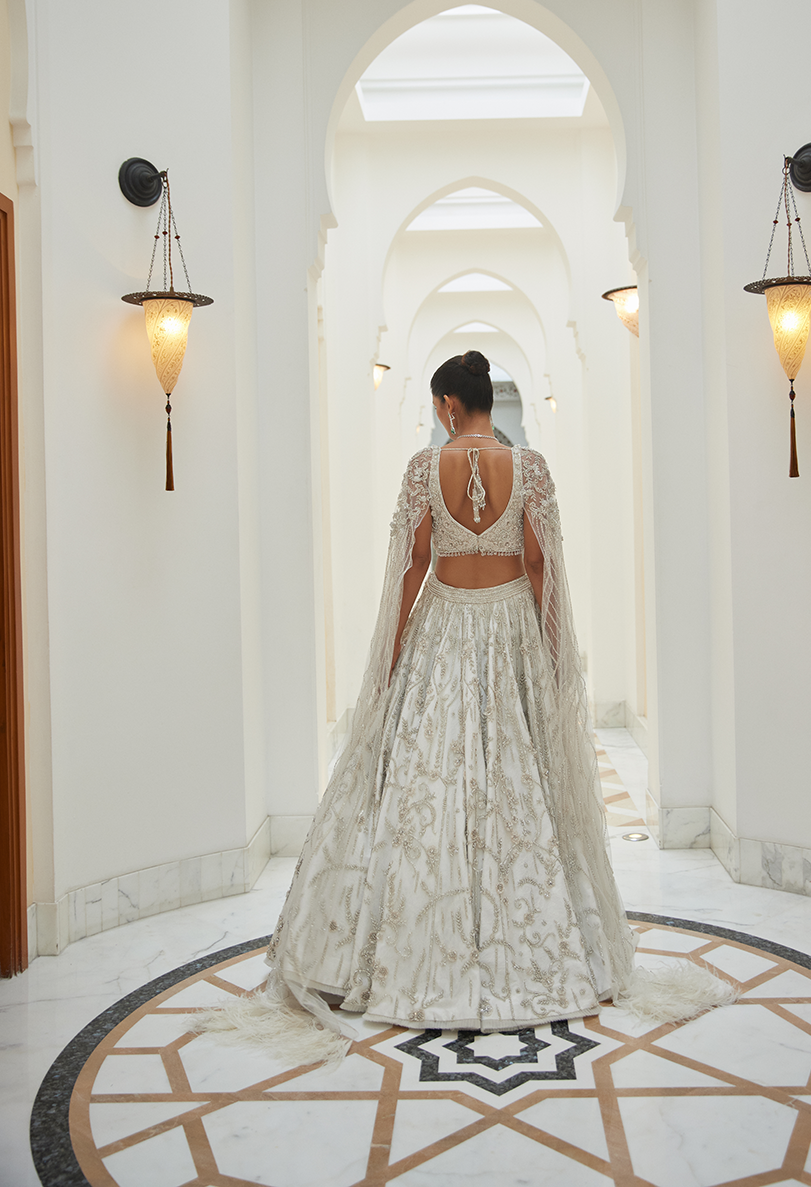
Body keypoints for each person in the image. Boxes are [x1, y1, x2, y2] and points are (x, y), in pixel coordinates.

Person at [193, 351, 733, 1064]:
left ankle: (420, 947)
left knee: (429, 784)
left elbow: (412, 565)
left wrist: (388, 657)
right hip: (511, 625)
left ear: (449, 404)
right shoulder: (530, 466)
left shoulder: (424, 468)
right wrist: (551, 650)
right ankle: (539, 947)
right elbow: (540, 563)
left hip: (441, 629)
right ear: (485, 402)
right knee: (519, 789)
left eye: (438, 404)